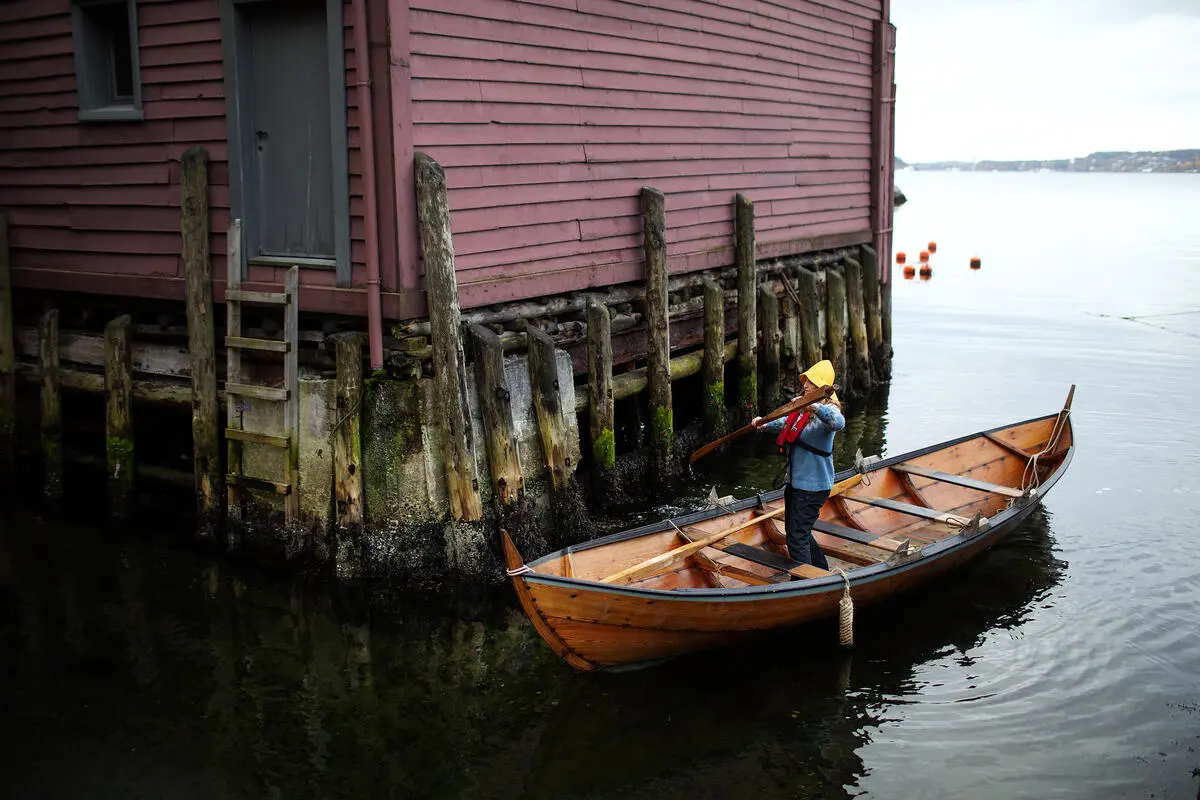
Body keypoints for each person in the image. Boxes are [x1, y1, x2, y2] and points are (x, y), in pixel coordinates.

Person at [752, 360, 845, 569]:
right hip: (795, 483)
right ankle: (820, 570)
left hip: (813, 487)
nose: (804, 386)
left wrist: (812, 405)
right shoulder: (804, 410)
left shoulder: (827, 411)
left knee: (796, 538)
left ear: (820, 387)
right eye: (805, 382)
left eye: (810, 382)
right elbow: (786, 423)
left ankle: (804, 581)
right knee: (797, 532)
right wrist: (764, 423)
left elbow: (839, 423)